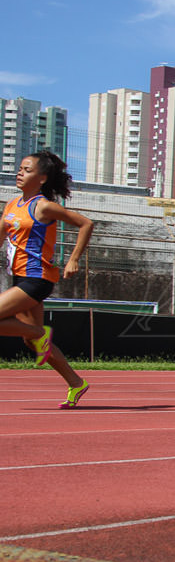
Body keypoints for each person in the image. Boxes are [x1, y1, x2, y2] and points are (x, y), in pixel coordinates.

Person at [0, 151, 94, 408]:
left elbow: (86, 223)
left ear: (41, 178)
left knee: (34, 335)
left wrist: (73, 259)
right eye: (20, 168)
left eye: (27, 170)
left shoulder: (44, 206)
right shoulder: (11, 205)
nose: (20, 173)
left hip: (37, 279)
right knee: (32, 343)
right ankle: (76, 382)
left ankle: (38, 332)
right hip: (18, 278)